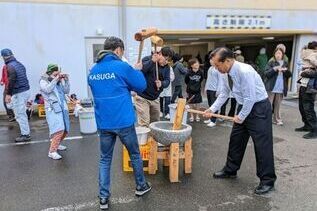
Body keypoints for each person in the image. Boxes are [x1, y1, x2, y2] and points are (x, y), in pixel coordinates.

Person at [88, 36, 151, 210]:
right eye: (121, 51)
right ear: (117, 50)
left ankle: (103, 198)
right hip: (123, 121)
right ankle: (140, 186)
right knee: (135, 154)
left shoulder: (93, 70)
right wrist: (136, 70)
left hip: (104, 122)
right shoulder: (122, 67)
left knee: (105, 159)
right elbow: (141, 86)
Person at [204, 47, 276, 195]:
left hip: (258, 108)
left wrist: (241, 116)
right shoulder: (224, 73)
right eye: (214, 66)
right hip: (244, 106)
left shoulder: (245, 71)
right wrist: (212, 109)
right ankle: (230, 170)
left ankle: (267, 181)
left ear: (228, 60)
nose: (216, 69)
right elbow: (224, 93)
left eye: (218, 65)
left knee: (262, 145)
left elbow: (250, 97)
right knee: (236, 140)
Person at [135, 46, 174, 127]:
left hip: (155, 98)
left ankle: (152, 139)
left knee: (155, 123)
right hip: (142, 97)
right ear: (160, 54)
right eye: (165, 59)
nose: (166, 62)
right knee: (144, 123)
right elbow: (141, 71)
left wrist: (162, 83)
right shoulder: (147, 59)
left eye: (168, 60)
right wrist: (152, 61)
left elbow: (167, 80)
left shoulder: (166, 67)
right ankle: (144, 140)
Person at [39, 64, 70, 160]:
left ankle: (57, 144)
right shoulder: (43, 80)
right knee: (58, 129)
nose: (58, 74)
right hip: (52, 108)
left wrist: (66, 80)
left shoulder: (57, 81)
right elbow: (48, 89)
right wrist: (56, 79)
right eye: (56, 72)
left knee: (65, 129)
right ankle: (52, 152)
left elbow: (66, 91)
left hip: (62, 107)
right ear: (51, 72)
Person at [1, 48, 31, 142]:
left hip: (19, 92)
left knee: (19, 114)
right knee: (17, 109)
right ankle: (27, 111)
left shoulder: (9, 66)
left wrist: (8, 94)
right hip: (25, 90)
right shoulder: (19, 64)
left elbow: (12, 80)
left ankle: (25, 135)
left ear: (4, 57)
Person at [264, 48, 292, 126]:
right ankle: (267, 119)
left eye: (280, 53)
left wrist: (285, 70)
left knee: (278, 105)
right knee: (268, 104)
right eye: (277, 53)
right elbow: (266, 73)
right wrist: (274, 69)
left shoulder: (285, 63)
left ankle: (277, 119)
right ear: (274, 54)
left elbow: (290, 75)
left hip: (281, 87)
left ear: (282, 54)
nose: (278, 55)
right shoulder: (271, 63)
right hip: (271, 87)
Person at [296, 41, 317, 139]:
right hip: (303, 84)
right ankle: (307, 125)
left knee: (308, 108)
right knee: (302, 106)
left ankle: (314, 130)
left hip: (310, 86)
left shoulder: (313, 56)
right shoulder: (306, 56)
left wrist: (307, 72)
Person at [204, 51, 221, 127]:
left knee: (214, 105)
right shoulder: (210, 68)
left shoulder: (218, 69)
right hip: (209, 89)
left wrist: (218, 90)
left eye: (212, 59)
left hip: (215, 90)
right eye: (210, 59)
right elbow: (208, 79)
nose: (210, 61)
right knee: (210, 105)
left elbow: (221, 81)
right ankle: (210, 118)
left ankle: (213, 120)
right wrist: (205, 88)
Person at [185, 58, 204, 122]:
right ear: (191, 65)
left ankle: (197, 116)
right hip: (190, 90)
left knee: (198, 103)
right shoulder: (188, 72)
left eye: (197, 63)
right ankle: (192, 116)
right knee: (191, 103)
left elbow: (201, 79)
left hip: (198, 90)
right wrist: (191, 86)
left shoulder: (201, 72)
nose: (197, 64)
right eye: (195, 63)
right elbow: (186, 81)